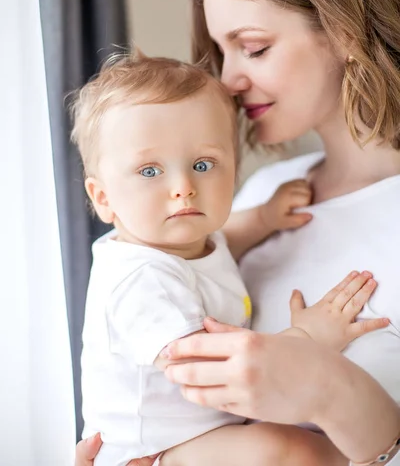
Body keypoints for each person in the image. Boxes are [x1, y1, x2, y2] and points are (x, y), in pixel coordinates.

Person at [75, 0, 400, 466]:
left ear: (346, 28)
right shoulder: (254, 197)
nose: (225, 82)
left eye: (252, 47)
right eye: (220, 54)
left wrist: (328, 385)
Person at [70, 52, 383, 466]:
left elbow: (223, 239)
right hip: (156, 451)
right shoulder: (139, 278)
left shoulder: (182, 241)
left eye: (203, 164)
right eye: (149, 171)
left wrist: (265, 217)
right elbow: (208, 367)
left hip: (202, 431)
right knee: (285, 450)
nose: (183, 187)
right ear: (103, 198)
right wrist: (307, 339)